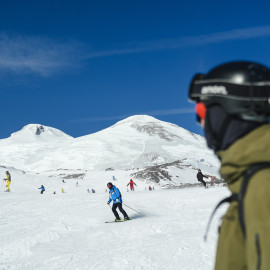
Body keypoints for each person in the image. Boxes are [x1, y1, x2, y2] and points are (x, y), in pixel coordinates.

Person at [188, 61, 270, 269]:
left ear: (225, 111)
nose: (200, 123)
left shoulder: (263, 185)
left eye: (202, 112)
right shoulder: (249, 180)